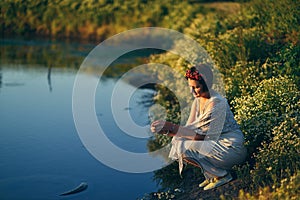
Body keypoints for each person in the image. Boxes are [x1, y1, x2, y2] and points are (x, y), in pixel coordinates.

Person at [150, 64, 247, 190]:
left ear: (206, 84)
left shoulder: (216, 103)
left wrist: (171, 126)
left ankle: (222, 175)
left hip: (231, 149)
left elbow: (202, 136)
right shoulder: (198, 100)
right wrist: (167, 130)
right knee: (178, 141)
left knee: (184, 145)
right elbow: (188, 129)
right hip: (216, 144)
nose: (192, 91)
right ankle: (213, 175)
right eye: (191, 87)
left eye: (196, 87)